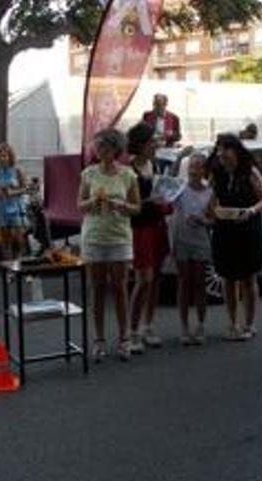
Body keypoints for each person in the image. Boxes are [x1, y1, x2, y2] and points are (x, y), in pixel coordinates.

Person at [77, 128, 141, 362]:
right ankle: (99, 339)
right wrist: (93, 201)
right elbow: (79, 205)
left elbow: (137, 207)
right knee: (96, 288)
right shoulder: (89, 174)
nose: (100, 150)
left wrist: (120, 205)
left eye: (105, 146)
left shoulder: (127, 175)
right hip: (94, 236)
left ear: (116, 149)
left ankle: (124, 338)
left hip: (119, 237)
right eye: (98, 146)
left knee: (120, 287)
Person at [208, 134, 262, 341]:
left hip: (248, 229)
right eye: (219, 150)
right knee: (227, 277)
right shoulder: (217, 174)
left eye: (226, 149)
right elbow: (212, 202)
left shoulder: (249, 172)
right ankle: (232, 323)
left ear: (236, 151)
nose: (221, 154)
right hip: (225, 230)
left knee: (248, 277)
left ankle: (249, 324)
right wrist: (214, 211)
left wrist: (251, 211)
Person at [126, 122, 171, 353]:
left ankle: (148, 325)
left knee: (156, 279)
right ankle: (132, 332)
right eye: (153, 141)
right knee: (144, 279)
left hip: (157, 226)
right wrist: (148, 202)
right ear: (141, 144)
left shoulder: (155, 165)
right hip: (139, 228)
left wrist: (167, 197)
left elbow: (160, 196)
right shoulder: (128, 169)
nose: (156, 145)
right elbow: (127, 205)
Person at [171, 152, 212, 345]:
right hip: (182, 238)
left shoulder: (210, 192)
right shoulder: (180, 188)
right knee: (183, 282)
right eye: (191, 167)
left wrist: (203, 220)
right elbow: (165, 184)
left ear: (205, 170)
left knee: (200, 283)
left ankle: (201, 325)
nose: (194, 171)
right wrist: (179, 158)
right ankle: (184, 327)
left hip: (200, 239)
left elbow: (213, 219)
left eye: (198, 167)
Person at [0, 143, 27, 260]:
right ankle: (8, 264)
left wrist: (12, 192)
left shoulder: (17, 171)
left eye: (4, 156)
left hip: (16, 206)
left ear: (10, 156)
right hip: (1, 206)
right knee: (4, 238)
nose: (1, 159)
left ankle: (19, 260)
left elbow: (25, 188)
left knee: (17, 237)